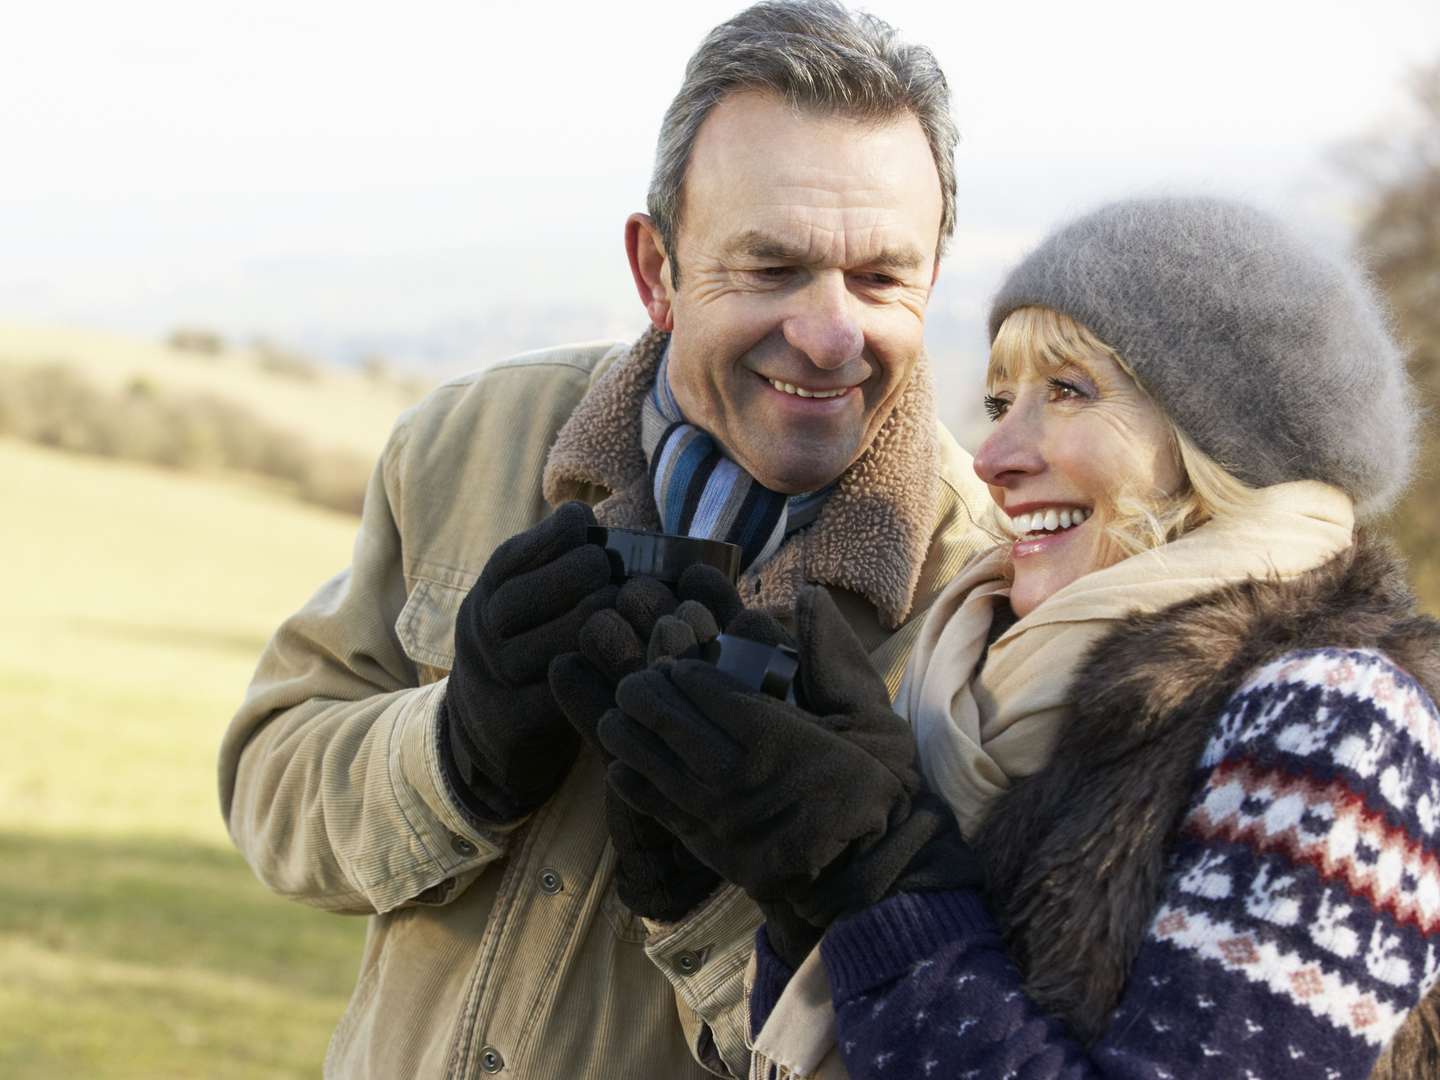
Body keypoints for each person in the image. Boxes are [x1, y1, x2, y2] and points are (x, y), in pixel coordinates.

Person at [216, 2, 994, 1077]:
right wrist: (455, 753)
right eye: (770, 269)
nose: (828, 334)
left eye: (879, 278)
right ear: (657, 271)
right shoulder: (468, 437)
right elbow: (269, 785)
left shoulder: (993, 595)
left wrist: (729, 906)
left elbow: (956, 1045)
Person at [595, 196, 1440, 1078]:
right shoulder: (991, 698)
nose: (994, 455)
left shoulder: (1339, 724)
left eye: (1068, 391)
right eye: (1001, 400)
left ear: (1226, 440)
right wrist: (779, 890)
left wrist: (889, 886)